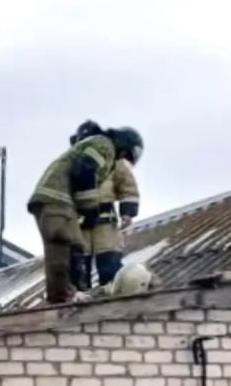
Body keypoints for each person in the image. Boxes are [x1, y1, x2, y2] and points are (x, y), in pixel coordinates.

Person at [28, 124, 144, 303]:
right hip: (58, 201)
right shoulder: (103, 145)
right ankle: (65, 296)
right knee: (66, 248)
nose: (120, 159)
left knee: (70, 246)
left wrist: (126, 211)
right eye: (124, 155)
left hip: (57, 202)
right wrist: (88, 208)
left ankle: (63, 296)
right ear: (123, 146)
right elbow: (83, 170)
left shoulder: (95, 147)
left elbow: (125, 188)